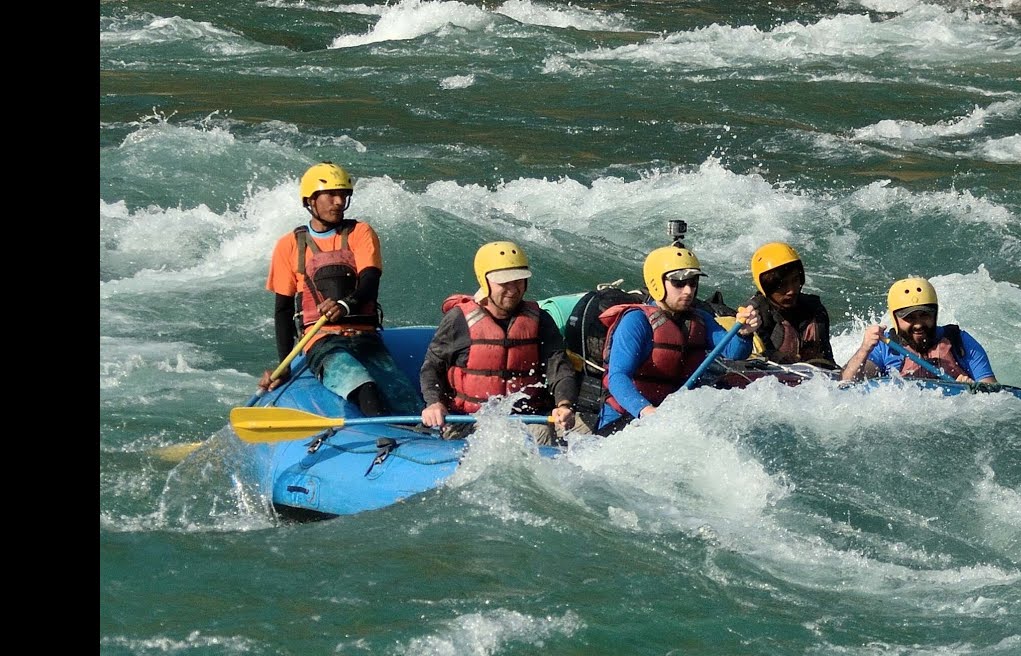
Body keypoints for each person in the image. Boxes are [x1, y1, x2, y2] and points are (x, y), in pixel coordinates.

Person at [259, 161, 419, 415]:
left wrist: (346, 305)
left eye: (343, 195)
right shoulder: (288, 245)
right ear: (311, 200)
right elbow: (283, 310)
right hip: (322, 341)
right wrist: (285, 366)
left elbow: (369, 279)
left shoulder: (360, 232)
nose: (338, 202)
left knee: (406, 399)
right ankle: (384, 440)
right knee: (363, 385)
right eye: (331, 195)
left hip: (364, 335)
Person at [418, 241, 588, 445]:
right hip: (469, 420)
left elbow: (558, 367)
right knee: (539, 436)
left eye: (518, 281)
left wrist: (564, 404)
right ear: (485, 281)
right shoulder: (458, 321)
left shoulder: (540, 320)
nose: (513, 289)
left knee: (580, 432)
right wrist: (434, 403)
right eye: (504, 283)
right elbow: (432, 368)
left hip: (527, 416)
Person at [594, 245, 762, 436]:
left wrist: (745, 333)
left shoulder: (700, 319)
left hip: (673, 420)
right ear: (657, 283)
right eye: (679, 283)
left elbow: (734, 352)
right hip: (626, 417)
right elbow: (618, 377)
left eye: (693, 283)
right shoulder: (636, 321)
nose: (689, 291)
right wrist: (646, 411)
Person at [839, 276, 998, 384]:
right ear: (895, 319)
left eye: (924, 315)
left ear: (935, 314)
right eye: (909, 318)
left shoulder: (960, 342)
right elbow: (847, 383)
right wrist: (864, 349)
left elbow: (993, 393)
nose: (918, 324)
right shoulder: (884, 347)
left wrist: (973, 391)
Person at [744, 242, 837, 369]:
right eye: (782, 285)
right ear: (766, 287)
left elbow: (828, 361)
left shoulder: (815, 309)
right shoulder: (755, 315)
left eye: (795, 280)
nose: (791, 290)